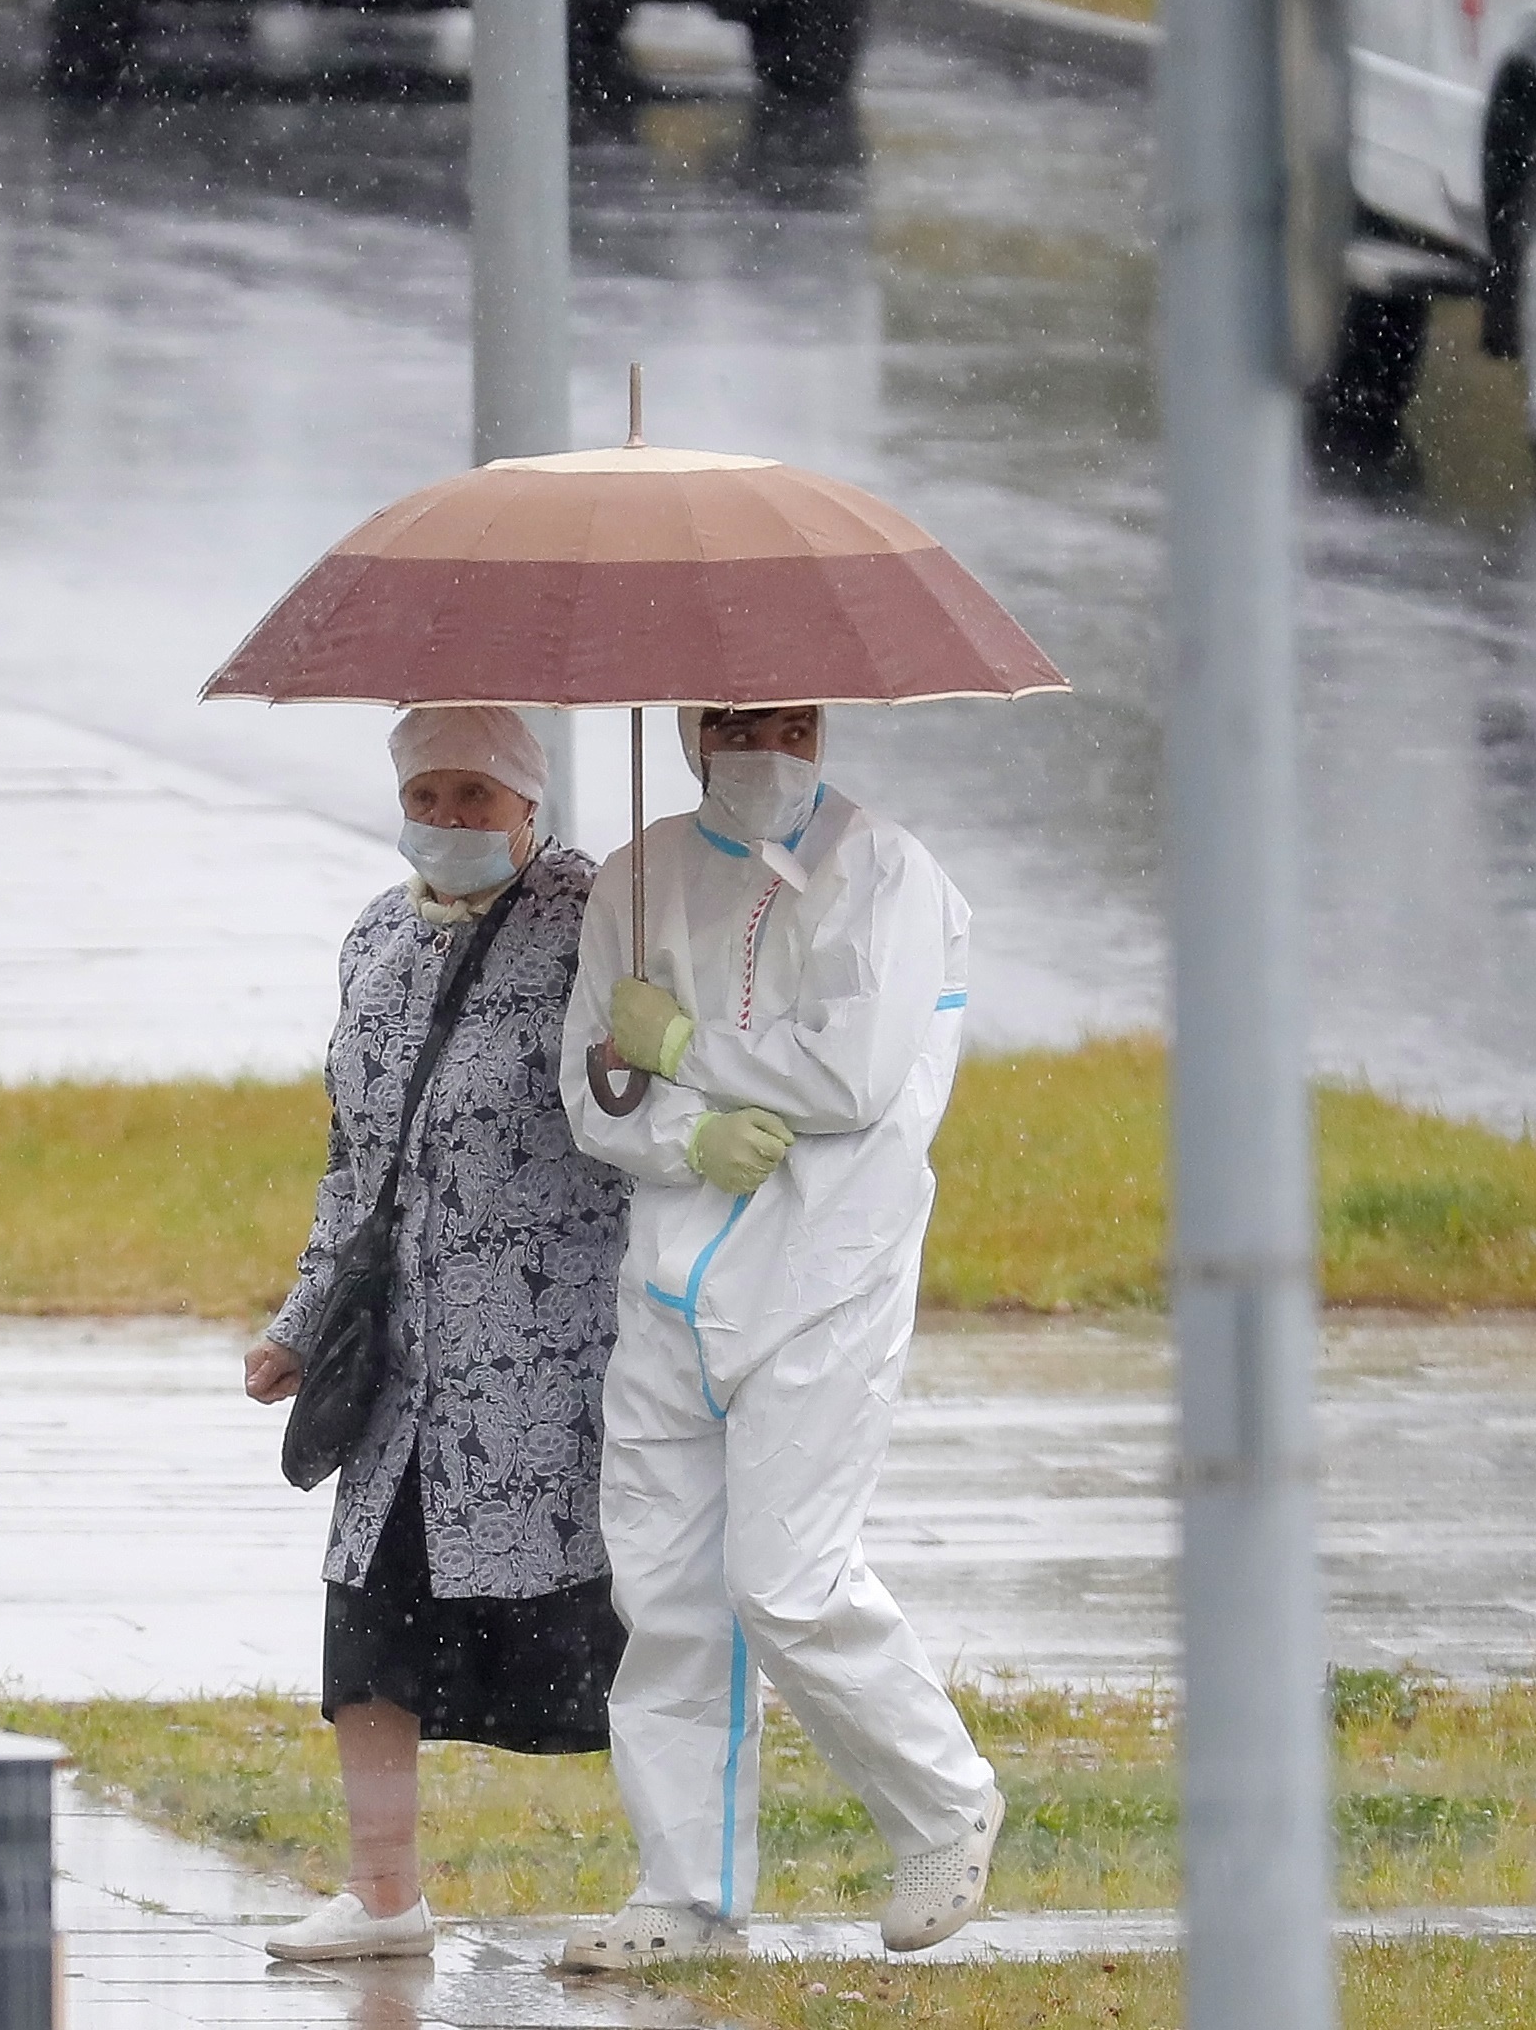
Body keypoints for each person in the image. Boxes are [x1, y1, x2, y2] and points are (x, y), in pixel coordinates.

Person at [554, 702, 1003, 1969]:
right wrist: (675, 1132)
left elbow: (853, 1077)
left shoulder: (891, 875)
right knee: (668, 1595)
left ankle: (945, 1802)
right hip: (671, 1277)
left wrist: (691, 1046)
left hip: (826, 1270)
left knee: (787, 1582)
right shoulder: (634, 881)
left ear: (826, 725)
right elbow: (588, 1083)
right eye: (738, 720)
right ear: (692, 726)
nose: (765, 744)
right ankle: (686, 1894)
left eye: (790, 721)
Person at [248, 705, 633, 1963]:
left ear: (532, 805)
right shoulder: (375, 932)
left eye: (478, 794)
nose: (451, 819)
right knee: (371, 1616)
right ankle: (381, 1894)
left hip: (553, 1362)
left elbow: (645, 1115)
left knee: (624, 1631)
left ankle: (685, 1885)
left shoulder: (597, 921)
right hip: (405, 1362)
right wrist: (301, 1321)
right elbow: (355, 1157)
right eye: (430, 793)